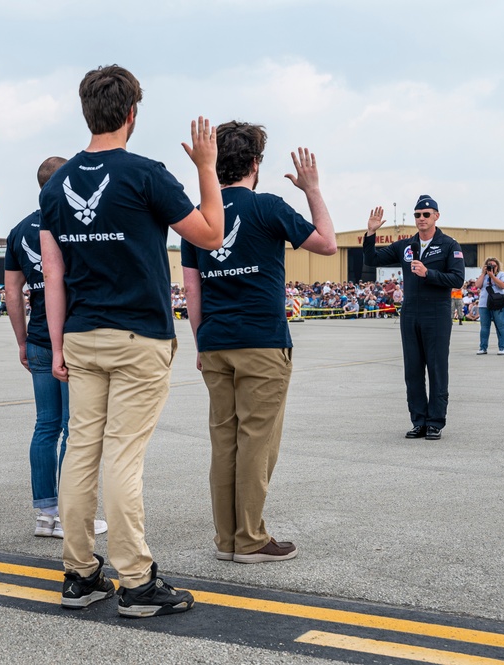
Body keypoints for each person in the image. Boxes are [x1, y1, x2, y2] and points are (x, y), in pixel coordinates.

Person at [39, 65, 223, 617]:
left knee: (80, 453)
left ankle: (80, 573)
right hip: (138, 335)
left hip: (80, 336)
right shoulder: (146, 174)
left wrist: (56, 346)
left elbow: (53, 274)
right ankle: (137, 581)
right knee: (123, 458)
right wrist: (208, 168)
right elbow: (210, 235)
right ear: (131, 114)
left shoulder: (56, 185)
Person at [181, 122, 337, 564]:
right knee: (256, 440)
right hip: (261, 342)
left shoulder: (199, 213)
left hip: (214, 341)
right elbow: (327, 243)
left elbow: (192, 290)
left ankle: (227, 538)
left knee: (224, 440)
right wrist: (312, 189)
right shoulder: (267, 207)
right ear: (254, 163)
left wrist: (201, 343)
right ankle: (249, 539)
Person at [5, 157, 110, 539]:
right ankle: (71, 514)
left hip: (36, 337)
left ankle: (45, 513)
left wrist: (21, 338)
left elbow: (13, 292)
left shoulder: (17, 232)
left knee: (45, 426)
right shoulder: (75, 222)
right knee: (74, 428)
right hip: (73, 337)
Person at [363, 196, 465, 441]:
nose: (421, 218)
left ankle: (435, 422)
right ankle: (418, 421)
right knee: (413, 370)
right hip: (410, 314)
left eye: (426, 214)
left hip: (437, 314)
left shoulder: (449, 245)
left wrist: (428, 273)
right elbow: (372, 260)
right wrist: (370, 233)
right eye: (418, 214)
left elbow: (457, 279)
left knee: (437, 368)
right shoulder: (405, 246)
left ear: (436, 216)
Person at [475, 257, 504, 355]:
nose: (491, 267)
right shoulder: (484, 276)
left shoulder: (502, 274)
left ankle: (502, 348)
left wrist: (492, 276)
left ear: (497, 266)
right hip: (484, 304)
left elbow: (503, 286)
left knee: (500, 326)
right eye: (489, 265)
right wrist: (483, 273)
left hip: (497, 304)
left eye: (494, 266)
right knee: (484, 327)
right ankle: (483, 347)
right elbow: (477, 285)